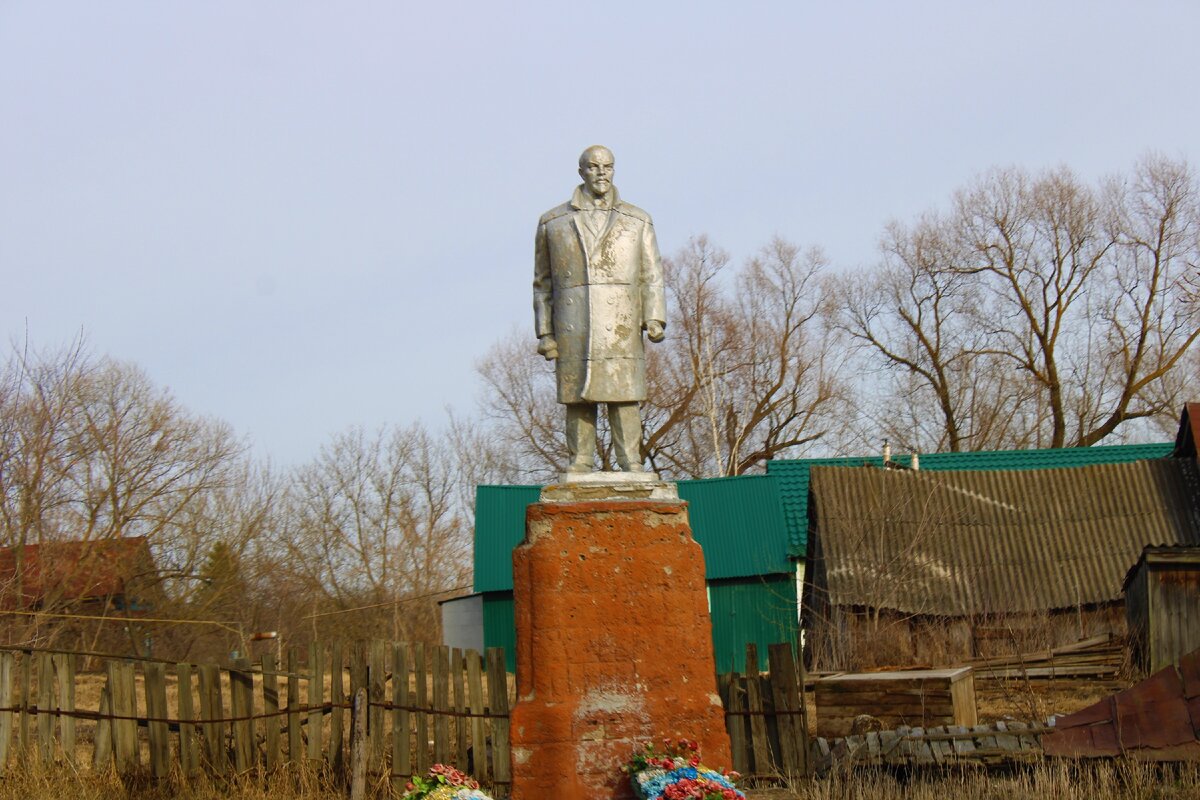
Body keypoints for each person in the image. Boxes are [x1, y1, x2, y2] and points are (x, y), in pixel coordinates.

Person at [533, 145, 666, 473]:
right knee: (578, 398)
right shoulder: (554, 222)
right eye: (593, 167)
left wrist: (654, 316)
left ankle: (630, 461)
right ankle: (579, 460)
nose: (601, 172)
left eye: (608, 166)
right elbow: (542, 283)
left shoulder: (637, 220)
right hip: (574, 324)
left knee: (624, 396)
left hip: (621, 323)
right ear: (582, 172)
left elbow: (651, 274)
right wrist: (546, 332)